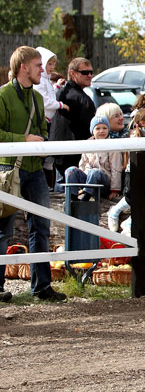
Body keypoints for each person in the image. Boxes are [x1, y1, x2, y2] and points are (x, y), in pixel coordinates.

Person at [0, 46, 66, 302]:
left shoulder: (38, 98)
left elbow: (42, 129)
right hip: (8, 169)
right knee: (3, 229)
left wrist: (41, 143)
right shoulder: (3, 95)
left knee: (41, 227)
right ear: (23, 67)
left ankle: (41, 287)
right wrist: (23, 139)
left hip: (35, 169)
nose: (43, 70)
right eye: (38, 65)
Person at [107, 106, 145, 232]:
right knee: (136, 192)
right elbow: (135, 161)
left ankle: (131, 220)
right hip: (135, 173)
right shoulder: (136, 136)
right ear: (143, 122)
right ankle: (115, 211)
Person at [53, 57, 96, 182]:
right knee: (68, 197)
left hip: (57, 154)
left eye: (91, 72)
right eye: (85, 72)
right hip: (73, 157)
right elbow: (90, 130)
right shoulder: (83, 100)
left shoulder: (58, 93)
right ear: (72, 73)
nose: (89, 76)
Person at [33, 47, 68, 188]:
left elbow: (49, 94)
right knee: (42, 156)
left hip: (48, 122)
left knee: (48, 158)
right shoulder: (40, 81)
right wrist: (61, 105)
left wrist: (57, 87)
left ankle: (48, 185)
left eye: (53, 64)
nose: (52, 67)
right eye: (49, 64)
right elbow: (44, 101)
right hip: (42, 122)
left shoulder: (46, 80)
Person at [64, 116, 123, 201]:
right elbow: (82, 165)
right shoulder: (88, 144)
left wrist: (115, 189)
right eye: (98, 128)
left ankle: (86, 198)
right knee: (71, 170)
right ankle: (72, 197)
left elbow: (116, 168)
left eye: (104, 128)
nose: (101, 131)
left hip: (103, 183)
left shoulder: (112, 145)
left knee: (95, 172)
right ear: (92, 131)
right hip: (88, 179)